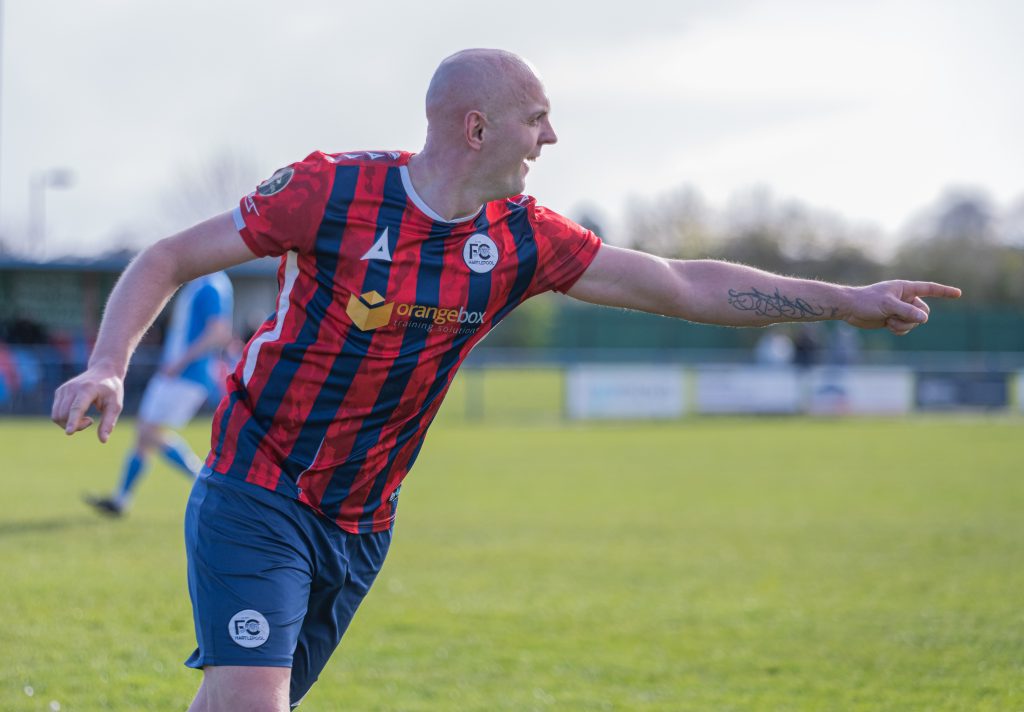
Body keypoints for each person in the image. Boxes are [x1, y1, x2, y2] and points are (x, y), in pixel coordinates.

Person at [51, 48, 961, 711]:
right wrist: (108, 363)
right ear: (477, 126)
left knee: (251, 701)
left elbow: (682, 284)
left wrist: (847, 299)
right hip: (257, 486)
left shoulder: (525, 238)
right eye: (538, 118)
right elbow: (171, 254)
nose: (553, 136)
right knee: (253, 699)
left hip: (364, 520)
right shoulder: (329, 192)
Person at [84, 272, 234, 516]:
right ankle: (121, 500)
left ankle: (206, 482)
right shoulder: (200, 282)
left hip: (186, 375)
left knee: (148, 432)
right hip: (176, 373)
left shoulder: (212, 285)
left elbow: (218, 331)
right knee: (144, 437)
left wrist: (181, 361)